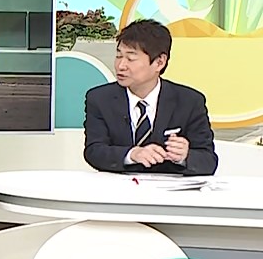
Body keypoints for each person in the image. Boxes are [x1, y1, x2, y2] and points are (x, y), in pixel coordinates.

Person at [84, 19, 217, 176]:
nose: (121, 66)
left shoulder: (189, 101)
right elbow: (94, 151)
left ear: (159, 62)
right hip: (119, 187)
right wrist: (131, 154)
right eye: (119, 56)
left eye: (131, 59)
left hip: (170, 188)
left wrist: (185, 156)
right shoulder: (99, 99)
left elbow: (208, 161)